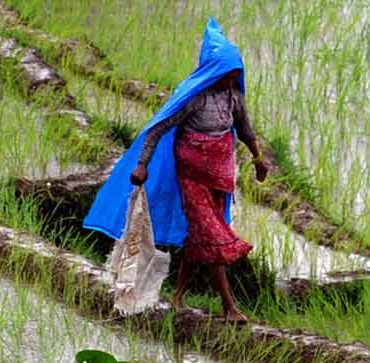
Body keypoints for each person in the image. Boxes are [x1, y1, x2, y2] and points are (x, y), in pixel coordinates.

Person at [82, 19, 273, 322]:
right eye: (228, 74)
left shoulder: (233, 97)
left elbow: (245, 130)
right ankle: (229, 307)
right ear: (215, 71)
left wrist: (258, 159)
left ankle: (177, 296)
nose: (232, 79)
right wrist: (142, 164)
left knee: (199, 237)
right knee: (211, 236)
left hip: (220, 177)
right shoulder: (194, 98)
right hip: (192, 177)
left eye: (236, 74)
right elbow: (158, 129)